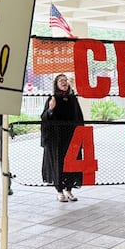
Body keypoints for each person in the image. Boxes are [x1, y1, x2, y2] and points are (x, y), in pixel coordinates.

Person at [41, 74, 83, 202]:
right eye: (61, 80)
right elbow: (44, 117)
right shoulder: (52, 98)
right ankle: (60, 191)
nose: (64, 82)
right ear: (56, 84)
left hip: (71, 137)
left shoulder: (72, 98)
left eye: (65, 80)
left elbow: (79, 117)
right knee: (59, 163)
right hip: (57, 139)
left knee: (72, 162)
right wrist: (50, 110)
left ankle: (69, 190)